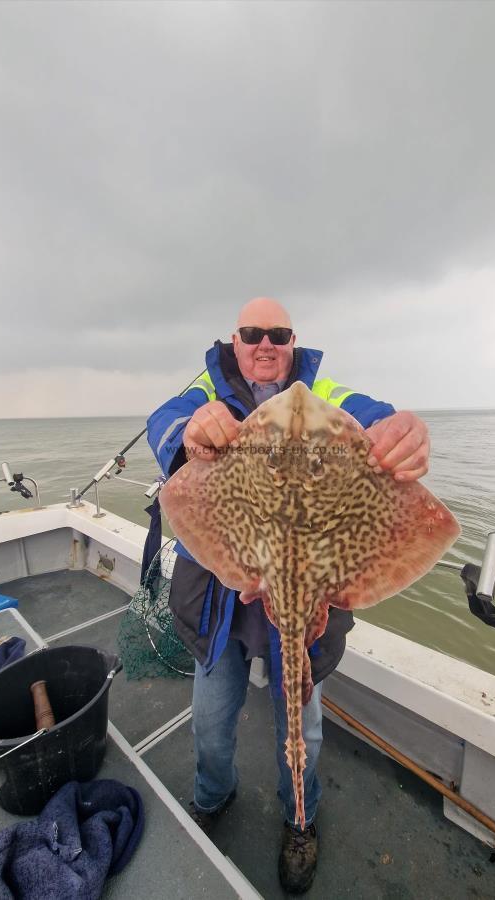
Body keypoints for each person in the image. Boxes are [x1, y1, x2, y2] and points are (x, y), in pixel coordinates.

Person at [147, 297, 430, 894]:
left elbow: (375, 416)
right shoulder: (206, 391)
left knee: (303, 729)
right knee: (211, 722)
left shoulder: (324, 392)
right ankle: (211, 798)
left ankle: (300, 817)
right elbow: (168, 423)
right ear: (236, 340)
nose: (266, 344)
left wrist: (403, 428)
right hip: (222, 601)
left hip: (308, 598)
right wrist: (190, 434)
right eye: (253, 333)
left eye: (278, 334)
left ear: (292, 340)